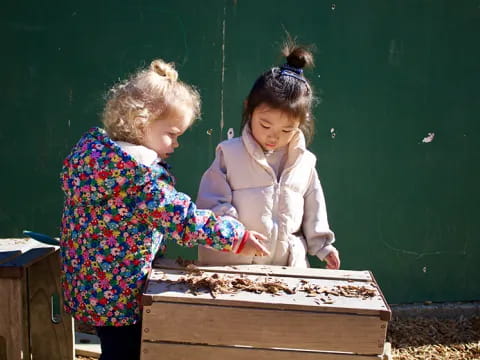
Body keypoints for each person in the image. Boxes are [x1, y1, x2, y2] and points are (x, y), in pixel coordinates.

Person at [59, 59, 269, 360]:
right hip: (121, 293)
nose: (176, 143)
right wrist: (235, 236)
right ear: (141, 123)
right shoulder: (139, 179)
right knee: (126, 352)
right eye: (172, 133)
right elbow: (182, 219)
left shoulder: (94, 158)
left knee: (114, 346)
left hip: (90, 284)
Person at [196, 43, 340, 270]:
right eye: (265, 125)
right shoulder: (229, 154)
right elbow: (211, 203)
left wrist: (323, 247)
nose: (274, 137)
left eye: (286, 131)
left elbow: (315, 209)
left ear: (301, 124)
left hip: (285, 269)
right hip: (232, 268)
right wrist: (236, 236)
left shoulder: (305, 163)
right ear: (249, 110)